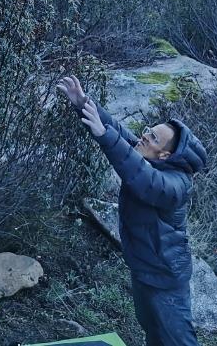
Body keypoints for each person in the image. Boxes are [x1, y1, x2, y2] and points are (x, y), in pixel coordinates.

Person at [57, 75, 206, 346]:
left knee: (177, 340)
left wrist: (106, 137)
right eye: (149, 130)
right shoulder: (148, 154)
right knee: (153, 332)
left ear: (165, 155)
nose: (144, 136)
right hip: (144, 269)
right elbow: (117, 132)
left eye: (152, 137)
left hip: (165, 277)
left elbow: (143, 178)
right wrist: (83, 103)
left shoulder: (175, 185)